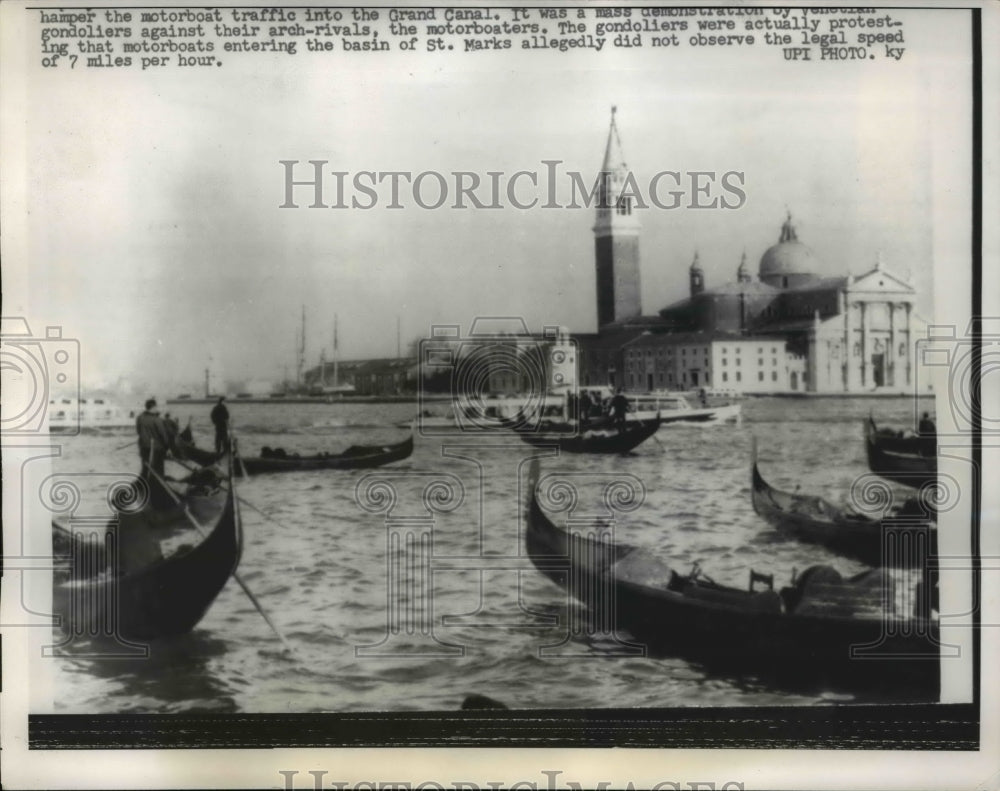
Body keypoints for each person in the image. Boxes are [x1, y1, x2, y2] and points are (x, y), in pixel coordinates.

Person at [135, 398, 173, 487]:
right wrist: (168, 448)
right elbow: (163, 435)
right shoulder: (157, 419)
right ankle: (158, 488)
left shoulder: (139, 418)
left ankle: (144, 486)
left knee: (145, 468)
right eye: (156, 407)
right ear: (153, 407)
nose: (157, 409)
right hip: (156, 449)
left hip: (143, 447)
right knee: (158, 470)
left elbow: (138, 431)